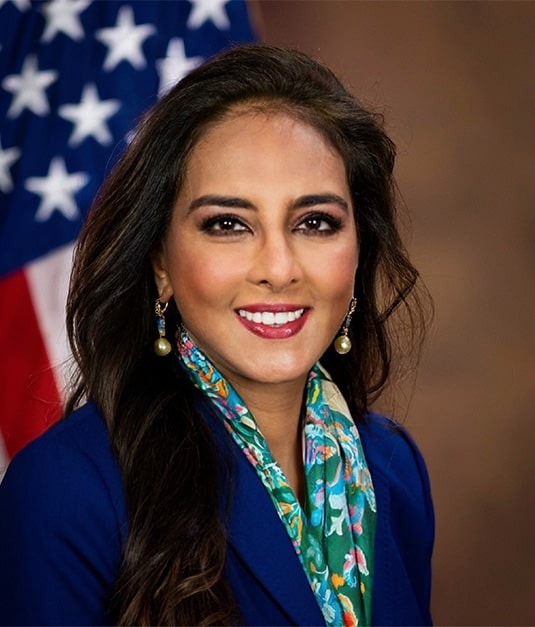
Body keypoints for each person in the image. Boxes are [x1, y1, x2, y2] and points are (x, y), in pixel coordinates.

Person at [0, 44, 433, 625]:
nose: (279, 268)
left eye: (315, 222)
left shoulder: (394, 468)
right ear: (160, 262)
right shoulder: (63, 492)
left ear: (358, 252)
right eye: (228, 224)